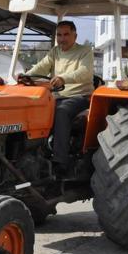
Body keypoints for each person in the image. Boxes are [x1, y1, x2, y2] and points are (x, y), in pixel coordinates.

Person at [23, 20, 93, 167]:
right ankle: (34, 152)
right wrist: (25, 77)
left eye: (66, 34)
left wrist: (63, 78)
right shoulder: (55, 52)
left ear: (75, 35)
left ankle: (60, 160)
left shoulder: (85, 51)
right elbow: (40, 68)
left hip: (80, 97)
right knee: (34, 108)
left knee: (61, 111)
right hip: (57, 96)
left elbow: (85, 73)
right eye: (59, 35)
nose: (62, 39)